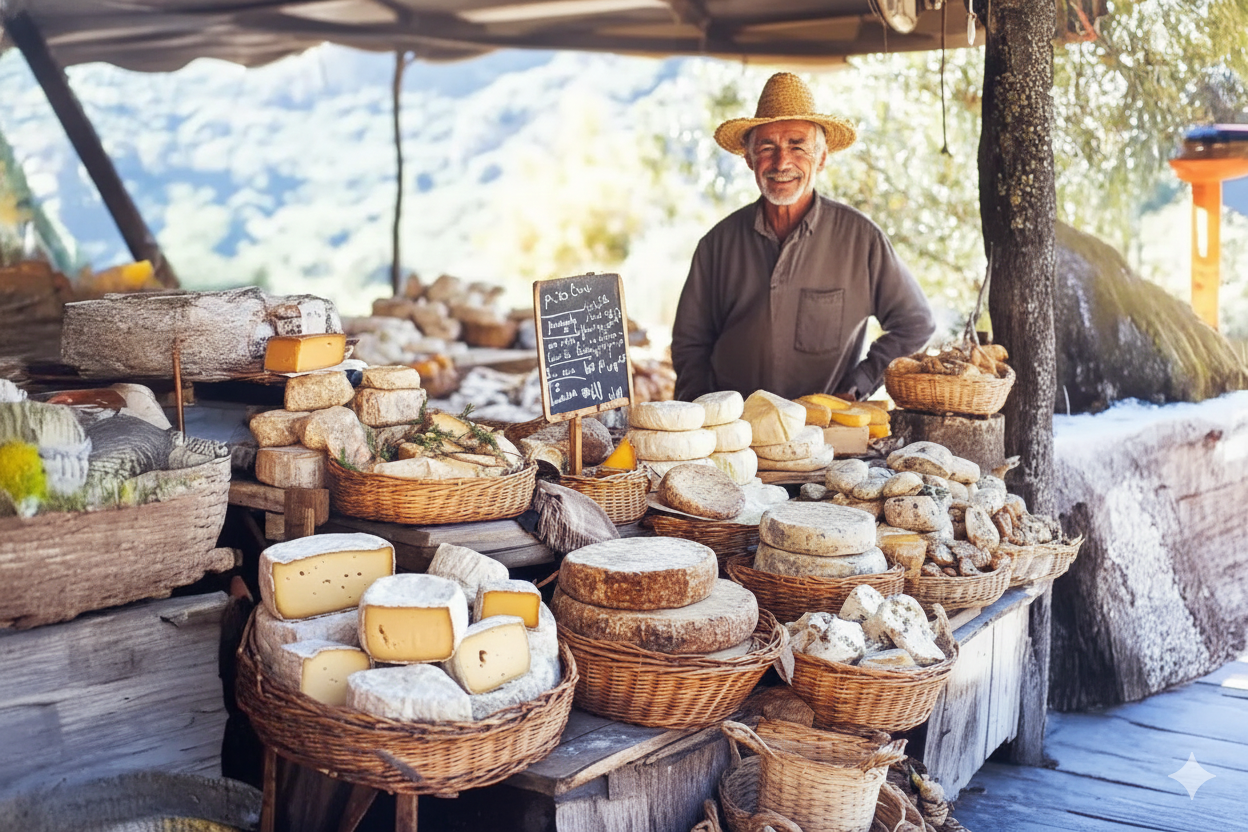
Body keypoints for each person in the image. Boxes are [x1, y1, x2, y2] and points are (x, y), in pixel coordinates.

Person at [671, 72, 936, 402]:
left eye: (798, 146)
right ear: (749, 159)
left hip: (824, 434)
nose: (782, 162)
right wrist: (703, 410)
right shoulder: (718, 245)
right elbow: (689, 345)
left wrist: (860, 382)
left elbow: (916, 323)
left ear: (822, 158)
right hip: (734, 435)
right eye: (767, 147)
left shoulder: (860, 239)